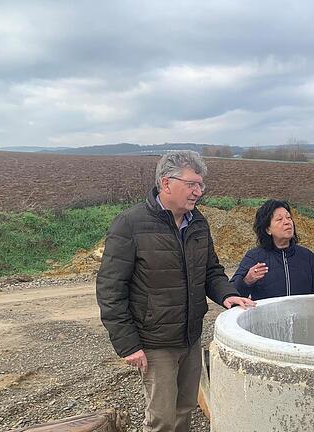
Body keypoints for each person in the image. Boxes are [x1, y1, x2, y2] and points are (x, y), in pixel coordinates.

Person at [96, 150, 255, 432]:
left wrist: (227, 293)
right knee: (161, 419)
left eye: (201, 185)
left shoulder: (198, 223)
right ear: (166, 183)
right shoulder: (131, 224)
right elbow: (110, 290)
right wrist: (128, 344)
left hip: (190, 338)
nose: (198, 192)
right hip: (155, 342)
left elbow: (211, 271)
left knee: (184, 411)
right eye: (192, 184)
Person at [230, 199, 314, 300]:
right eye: (279, 219)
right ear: (268, 229)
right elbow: (233, 295)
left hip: (302, 315)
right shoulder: (254, 257)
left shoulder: (307, 256)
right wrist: (247, 281)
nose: (287, 222)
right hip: (268, 316)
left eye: (289, 218)